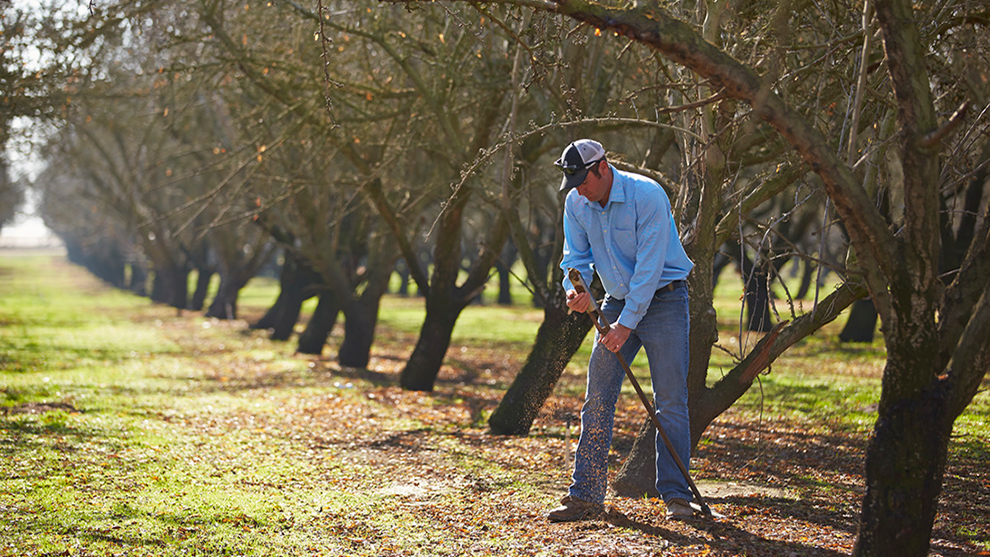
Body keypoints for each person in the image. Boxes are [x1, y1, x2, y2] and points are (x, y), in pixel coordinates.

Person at [548, 139, 695, 522]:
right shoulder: (576, 202)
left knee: (671, 402)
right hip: (615, 300)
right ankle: (586, 495)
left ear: (603, 167)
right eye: (573, 182)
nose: (580, 188)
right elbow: (575, 259)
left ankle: (677, 496)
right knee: (597, 395)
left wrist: (625, 326)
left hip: (664, 300)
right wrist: (575, 291)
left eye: (584, 180)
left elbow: (648, 270)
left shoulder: (647, 196)